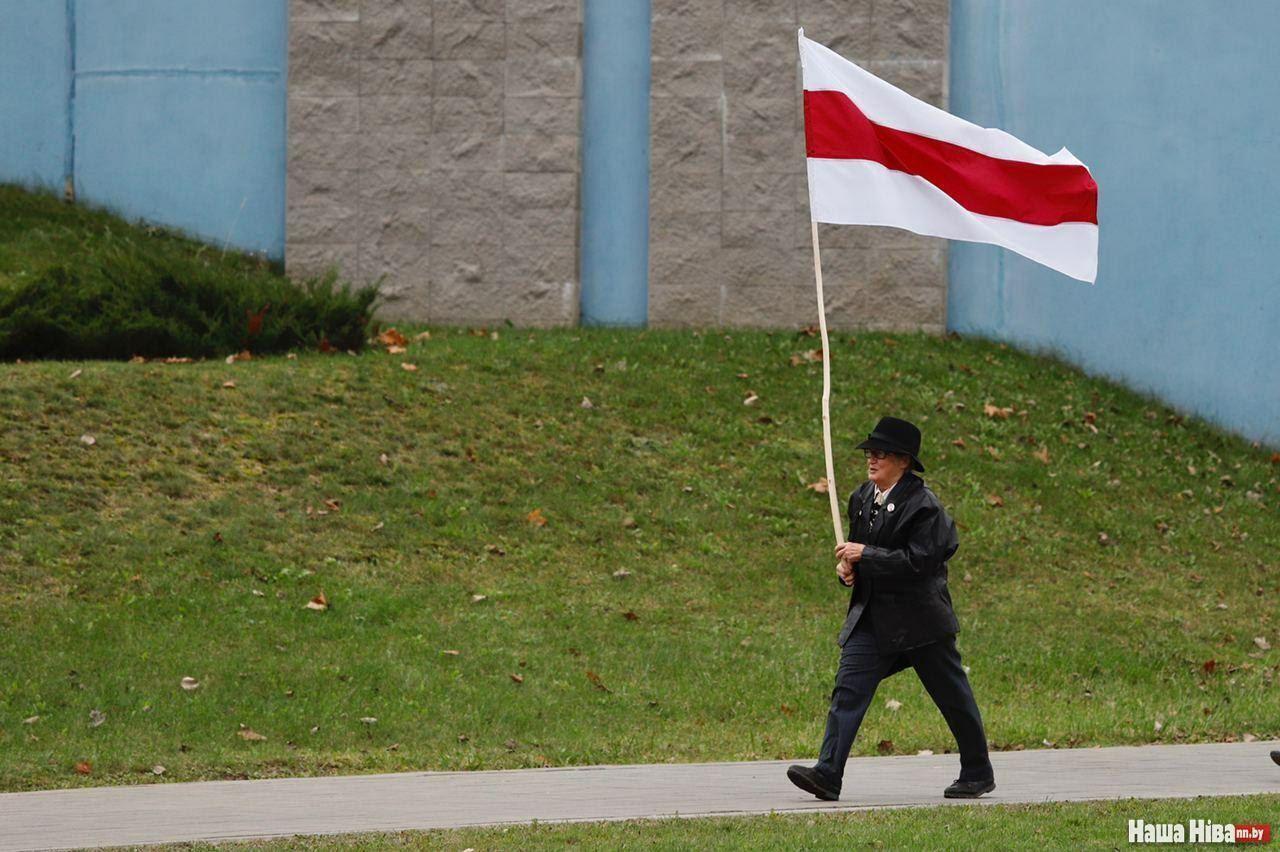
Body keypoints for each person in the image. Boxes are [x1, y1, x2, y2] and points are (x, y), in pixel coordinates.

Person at [787, 416, 996, 801]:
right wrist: (847, 570)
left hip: (921, 623)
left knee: (952, 695)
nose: (871, 459)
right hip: (872, 619)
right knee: (848, 689)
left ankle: (978, 771)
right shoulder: (861, 499)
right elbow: (861, 558)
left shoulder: (925, 507)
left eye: (880, 453)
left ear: (903, 460)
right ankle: (828, 773)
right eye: (870, 452)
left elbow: (920, 563)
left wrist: (866, 554)